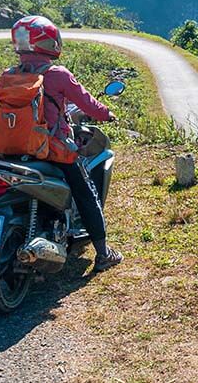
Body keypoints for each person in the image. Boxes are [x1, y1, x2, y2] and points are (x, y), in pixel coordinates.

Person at [10, 15, 123, 272]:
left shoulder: (11, 74)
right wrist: (107, 114)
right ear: (49, 42)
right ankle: (104, 254)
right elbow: (87, 104)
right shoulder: (57, 74)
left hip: (14, 150)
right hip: (52, 150)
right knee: (87, 194)